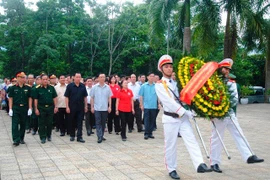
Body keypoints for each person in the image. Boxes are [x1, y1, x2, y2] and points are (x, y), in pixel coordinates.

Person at [155, 55, 212, 179]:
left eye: (170, 66)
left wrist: (190, 109)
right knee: (171, 145)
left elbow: (183, 99)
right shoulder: (159, 85)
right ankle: (172, 169)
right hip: (170, 118)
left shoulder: (177, 83)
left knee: (191, 139)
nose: (169, 69)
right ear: (161, 69)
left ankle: (199, 164)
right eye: (166, 67)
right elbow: (169, 102)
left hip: (183, 118)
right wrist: (184, 112)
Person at [210, 58, 264, 173]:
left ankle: (249, 156)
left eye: (228, 69)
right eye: (225, 68)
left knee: (239, 133)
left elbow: (234, 98)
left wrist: (226, 107)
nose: (227, 71)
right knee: (217, 139)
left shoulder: (231, 83)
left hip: (229, 114)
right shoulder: (213, 83)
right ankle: (214, 163)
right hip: (218, 115)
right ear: (219, 69)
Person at [8, 71, 32, 146]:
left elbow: (30, 98)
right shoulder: (12, 88)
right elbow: (10, 98)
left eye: (24, 77)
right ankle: (16, 139)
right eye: (22, 77)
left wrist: (30, 108)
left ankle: (21, 138)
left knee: (23, 123)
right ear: (18, 78)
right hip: (16, 107)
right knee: (15, 124)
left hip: (24, 107)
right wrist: (10, 109)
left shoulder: (28, 88)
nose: (24, 79)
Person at [33, 74, 58, 144]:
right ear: (41, 80)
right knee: (41, 123)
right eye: (43, 79)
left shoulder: (51, 88)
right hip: (41, 107)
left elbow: (55, 98)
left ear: (48, 80)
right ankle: (43, 137)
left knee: (50, 123)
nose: (45, 81)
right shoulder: (37, 89)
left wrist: (56, 106)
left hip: (50, 107)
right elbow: (36, 99)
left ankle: (49, 135)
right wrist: (36, 109)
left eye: (46, 79)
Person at [65, 73, 88, 143]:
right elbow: (66, 97)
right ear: (74, 77)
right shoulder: (69, 86)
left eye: (79, 77)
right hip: (72, 107)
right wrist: (67, 107)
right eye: (77, 77)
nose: (78, 78)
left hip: (80, 107)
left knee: (80, 122)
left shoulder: (83, 86)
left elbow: (85, 97)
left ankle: (79, 136)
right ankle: (72, 135)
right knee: (72, 121)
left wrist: (86, 106)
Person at [90, 73, 112, 143]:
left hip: (105, 108)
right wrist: (92, 107)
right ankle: (99, 136)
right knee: (98, 122)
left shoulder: (108, 87)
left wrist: (110, 106)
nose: (102, 78)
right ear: (98, 78)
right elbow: (92, 98)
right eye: (101, 77)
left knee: (103, 123)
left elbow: (109, 97)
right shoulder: (94, 87)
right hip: (97, 108)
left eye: (103, 77)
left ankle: (101, 135)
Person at [139, 72, 160, 140]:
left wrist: (159, 104)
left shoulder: (156, 86)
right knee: (146, 120)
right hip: (146, 106)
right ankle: (146, 133)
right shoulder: (144, 86)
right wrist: (141, 104)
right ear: (147, 77)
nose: (152, 77)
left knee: (152, 119)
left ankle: (150, 133)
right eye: (150, 76)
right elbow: (141, 96)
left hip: (154, 106)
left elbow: (158, 96)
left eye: (153, 76)